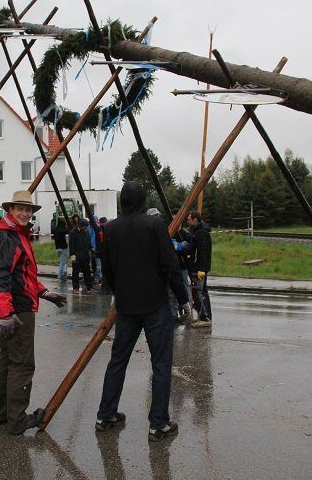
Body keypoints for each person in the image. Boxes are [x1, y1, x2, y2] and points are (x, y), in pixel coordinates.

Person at [96, 181, 189, 441]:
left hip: (126, 307)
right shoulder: (155, 225)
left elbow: (108, 270)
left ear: (122, 200)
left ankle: (105, 415)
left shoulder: (110, 229)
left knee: (118, 361)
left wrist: (120, 291)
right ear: (142, 200)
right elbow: (170, 264)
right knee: (161, 364)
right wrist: (183, 299)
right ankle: (158, 424)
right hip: (155, 305)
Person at [0, 190, 64, 435]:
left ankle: (2, 414)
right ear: (10, 210)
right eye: (20, 209)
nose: (24, 213)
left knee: (7, 361)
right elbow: (0, 275)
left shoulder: (15, 234)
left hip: (12, 307)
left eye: (28, 209)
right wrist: (5, 313)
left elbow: (22, 275)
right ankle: (18, 420)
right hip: (16, 310)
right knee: (21, 364)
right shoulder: (8, 237)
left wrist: (44, 292)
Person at [149, 207, 191, 323]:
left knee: (176, 290)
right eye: (155, 216)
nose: (157, 218)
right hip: (163, 271)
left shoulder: (180, 234)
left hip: (178, 266)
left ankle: (174, 312)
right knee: (169, 293)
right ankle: (171, 314)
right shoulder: (161, 232)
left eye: (158, 216)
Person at [187, 210, 213, 328]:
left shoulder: (201, 233)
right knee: (201, 291)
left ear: (195, 220)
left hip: (200, 269)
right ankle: (204, 316)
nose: (188, 221)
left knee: (198, 292)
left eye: (189, 219)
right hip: (198, 267)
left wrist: (200, 269)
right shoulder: (195, 230)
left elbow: (202, 253)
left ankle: (204, 318)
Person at [69, 218, 93, 294]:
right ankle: (75, 288)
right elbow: (71, 247)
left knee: (87, 272)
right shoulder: (73, 232)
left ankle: (89, 287)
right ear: (82, 225)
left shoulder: (86, 232)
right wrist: (73, 258)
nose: (86, 228)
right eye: (86, 226)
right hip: (77, 257)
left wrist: (92, 249)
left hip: (85, 256)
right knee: (75, 272)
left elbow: (88, 243)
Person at [51, 215, 70, 281]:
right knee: (63, 263)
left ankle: (63, 276)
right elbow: (69, 230)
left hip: (57, 249)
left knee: (62, 262)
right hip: (63, 248)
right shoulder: (63, 230)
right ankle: (61, 275)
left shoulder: (55, 230)